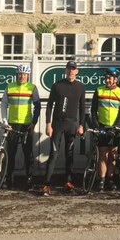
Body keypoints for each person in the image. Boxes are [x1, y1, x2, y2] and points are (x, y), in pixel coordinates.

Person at [42, 60, 86, 196]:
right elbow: (49, 105)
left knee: (70, 154)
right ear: (65, 70)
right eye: (69, 69)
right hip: (57, 124)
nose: (71, 71)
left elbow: (83, 108)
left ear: (77, 71)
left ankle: (68, 182)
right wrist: (48, 124)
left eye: (73, 69)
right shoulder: (57, 86)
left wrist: (81, 125)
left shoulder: (80, 87)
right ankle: (47, 185)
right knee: (53, 154)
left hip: (72, 125)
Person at [0, 64, 41, 190]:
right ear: (16, 75)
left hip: (26, 125)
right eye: (20, 74)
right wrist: (5, 121)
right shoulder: (10, 87)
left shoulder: (32, 88)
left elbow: (37, 106)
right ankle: (9, 179)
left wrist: (33, 123)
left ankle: (29, 180)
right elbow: (3, 105)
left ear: (28, 76)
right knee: (10, 153)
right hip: (12, 125)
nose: (22, 77)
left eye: (24, 75)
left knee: (28, 153)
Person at [90, 67, 120, 191]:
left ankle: (110, 180)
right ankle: (102, 180)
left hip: (115, 128)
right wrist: (96, 125)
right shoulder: (99, 90)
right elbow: (93, 110)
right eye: (106, 77)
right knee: (103, 155)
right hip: (103, 126)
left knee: (112, 155)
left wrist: (116, 127)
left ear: (115, 79)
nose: (107, 80)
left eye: (110, 78)